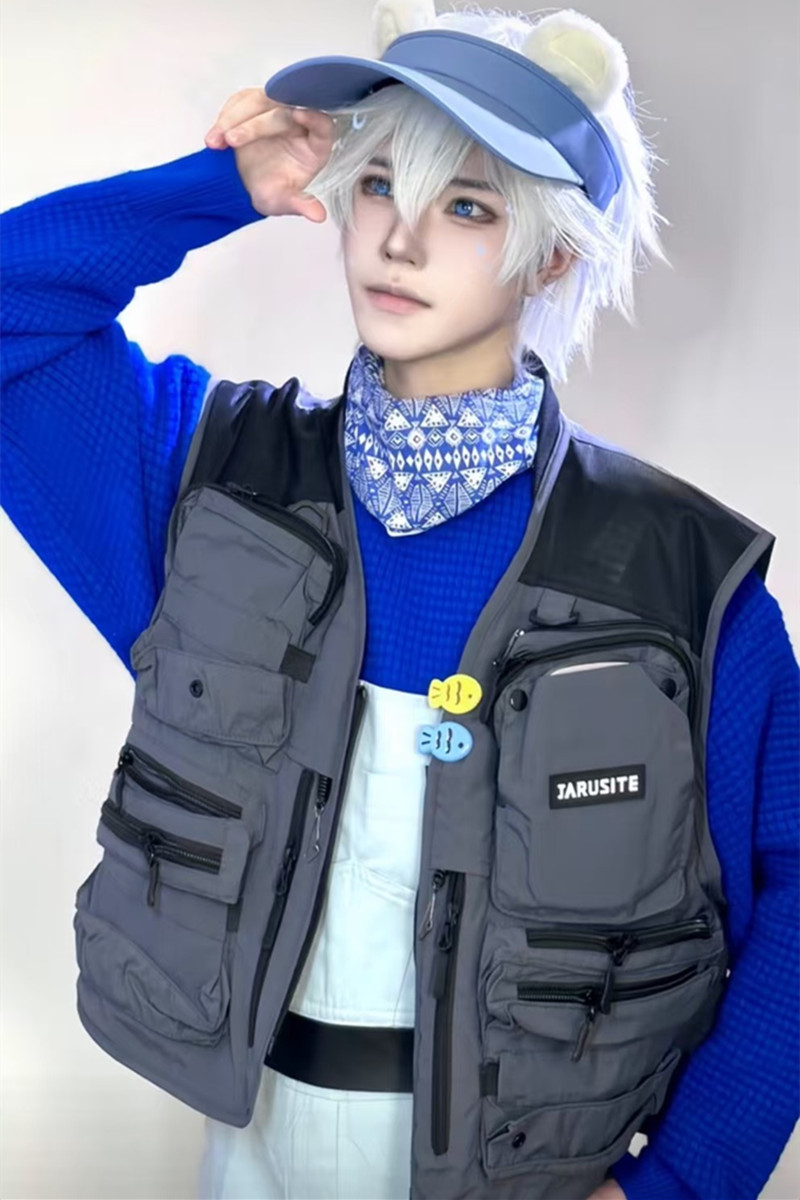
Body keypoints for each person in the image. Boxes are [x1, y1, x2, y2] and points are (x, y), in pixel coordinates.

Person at [1, 2, 797, 1199]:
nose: (400, 239)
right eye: (378, 184)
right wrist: (219, 186)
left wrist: (681, 1182)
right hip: (251, 1157)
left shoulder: (683, 577)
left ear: (552, 255)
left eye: (467, 206)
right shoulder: (210, 484)